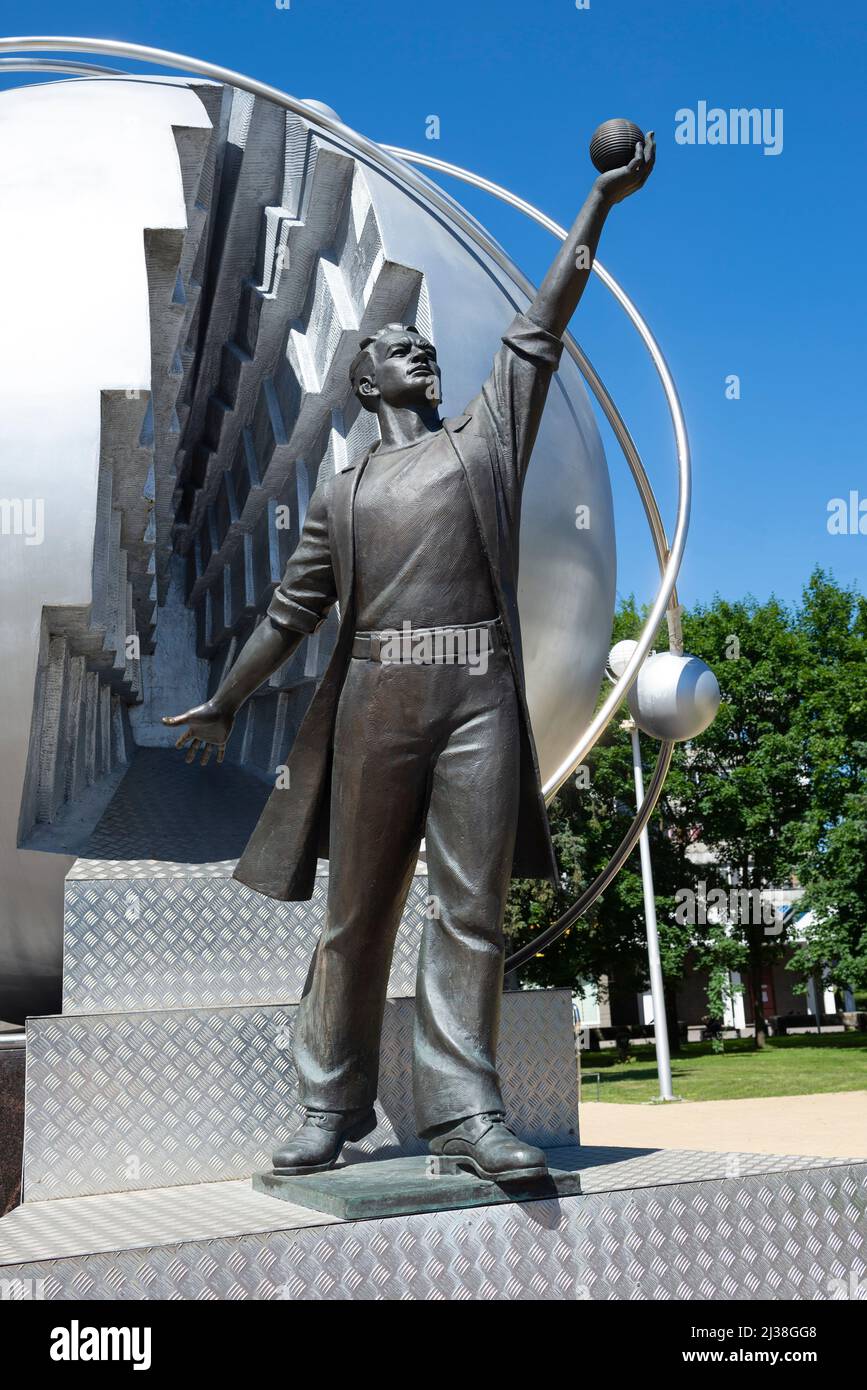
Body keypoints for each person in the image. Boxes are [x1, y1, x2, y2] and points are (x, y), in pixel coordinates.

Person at [164, 133, 655, 1181]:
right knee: (358, 913)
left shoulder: (481, 444)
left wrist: (599, 206)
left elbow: (539, 331)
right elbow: (290, 616)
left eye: (425, 346)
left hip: (477, 691)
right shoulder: (340, 497)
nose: (420, 352)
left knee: (472, 905)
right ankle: (327, 1105)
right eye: (398, 348)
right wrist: (221, 700)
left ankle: (467, 1114)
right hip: (379, 696)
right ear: (363, 378)